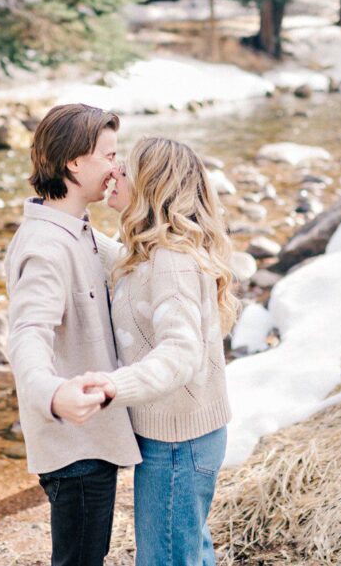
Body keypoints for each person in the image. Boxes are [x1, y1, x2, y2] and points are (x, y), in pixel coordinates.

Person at [75, 137, 239, 566]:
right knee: (188, 548)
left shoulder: (171, 260)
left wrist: (115, 385)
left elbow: (181, 352)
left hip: (178, 446)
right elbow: (122, 267)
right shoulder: (150, 252)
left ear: (151, 187)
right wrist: (67, 219)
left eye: (123, 170)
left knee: (165, 557)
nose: (113, 175)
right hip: (182, 437)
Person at [4, 103, 140, 566]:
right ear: (74, 162)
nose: (117, 167)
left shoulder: (77, 230)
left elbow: (137, 260)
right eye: (109, 155)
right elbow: (26, 333)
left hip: (90, 435)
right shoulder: (45, 247)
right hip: (75, 442)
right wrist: (51, 394)